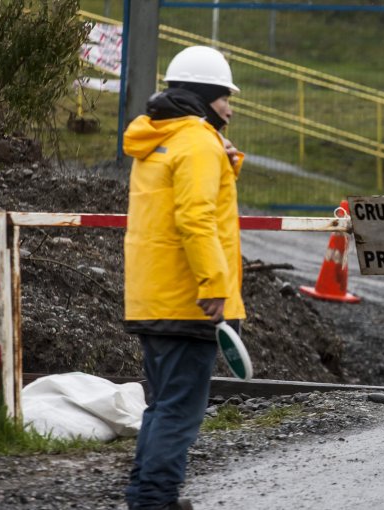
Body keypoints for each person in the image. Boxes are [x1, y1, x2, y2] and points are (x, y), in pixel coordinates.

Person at [122, 45, 246, 510]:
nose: (229, 109)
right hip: (187, 299)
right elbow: (196, 219)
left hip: (152, 296)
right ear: (203, 95)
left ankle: (148, 497)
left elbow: (187, 201)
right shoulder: (196, 141)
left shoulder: (159, 138)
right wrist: (215, 286)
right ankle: (154, 501)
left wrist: (226, 163)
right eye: (224, 98)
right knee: (179, 411)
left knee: (162, 405)